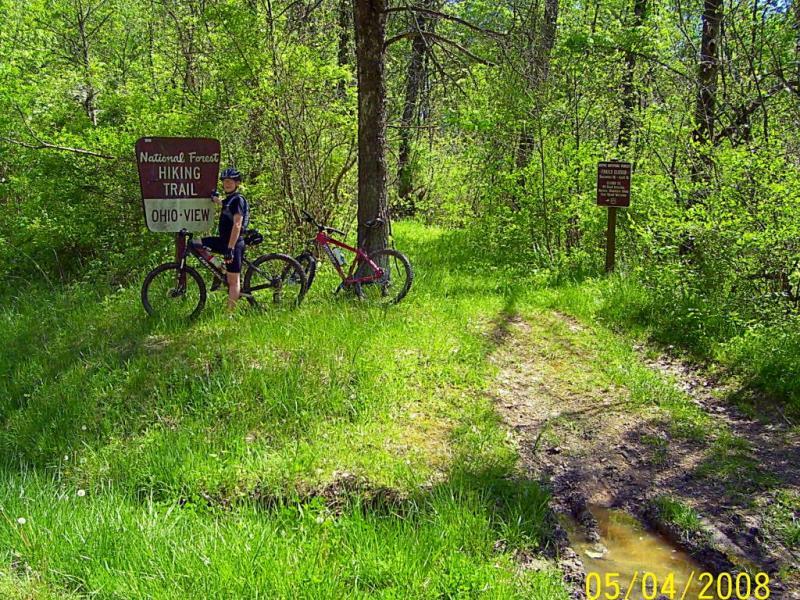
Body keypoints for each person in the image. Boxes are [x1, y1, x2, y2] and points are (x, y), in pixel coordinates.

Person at [199, 167, 250, 311]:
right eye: (225, 181)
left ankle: (230, 314)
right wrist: (215, 199)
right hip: (223, 241)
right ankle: (221, 268)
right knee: (196, 243)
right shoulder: (229, 200)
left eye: (230, 181)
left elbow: (237, 224)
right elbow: (225, 205)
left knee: (233, 281)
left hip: (234, 244)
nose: (227, 184)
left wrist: (230, 248)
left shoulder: (238, 200)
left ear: (237, 183)